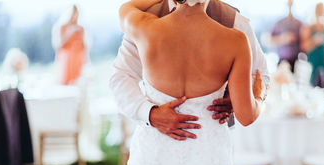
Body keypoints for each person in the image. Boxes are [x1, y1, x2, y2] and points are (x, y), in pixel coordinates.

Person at [103, 0, 266, 165]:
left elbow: (125, 7)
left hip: (156, 152)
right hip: (206, 152)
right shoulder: (234, 41)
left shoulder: (144, 26)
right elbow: (248, 114)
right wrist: (258, 97)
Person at [110, 0, 269, 141]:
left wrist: (237, 97)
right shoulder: (147, 14)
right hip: (158, 139)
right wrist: (149, 113)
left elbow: (261, 75)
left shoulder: (235, 20)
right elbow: (122, 76)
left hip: (210, 144)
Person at [52, 5, 87, 85]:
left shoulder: (80, 29)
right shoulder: (62, 27)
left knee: (77, 81)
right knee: (65, 80)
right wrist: (69, 32)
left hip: (77, 58)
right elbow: (58, 44)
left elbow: (84, 46)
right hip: (66, 58)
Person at [301, 2, 324, 88]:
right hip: (314, 64)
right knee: (313, 87)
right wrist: (314, 41)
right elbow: (304, 47)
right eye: (319, 10)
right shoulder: (309, 26)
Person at [270, 0, 302, 72]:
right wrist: (283, 39)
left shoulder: (299, 23)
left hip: (296, 60)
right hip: (282, 60)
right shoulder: (279, 23)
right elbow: (270, 40)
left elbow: (303, 41)